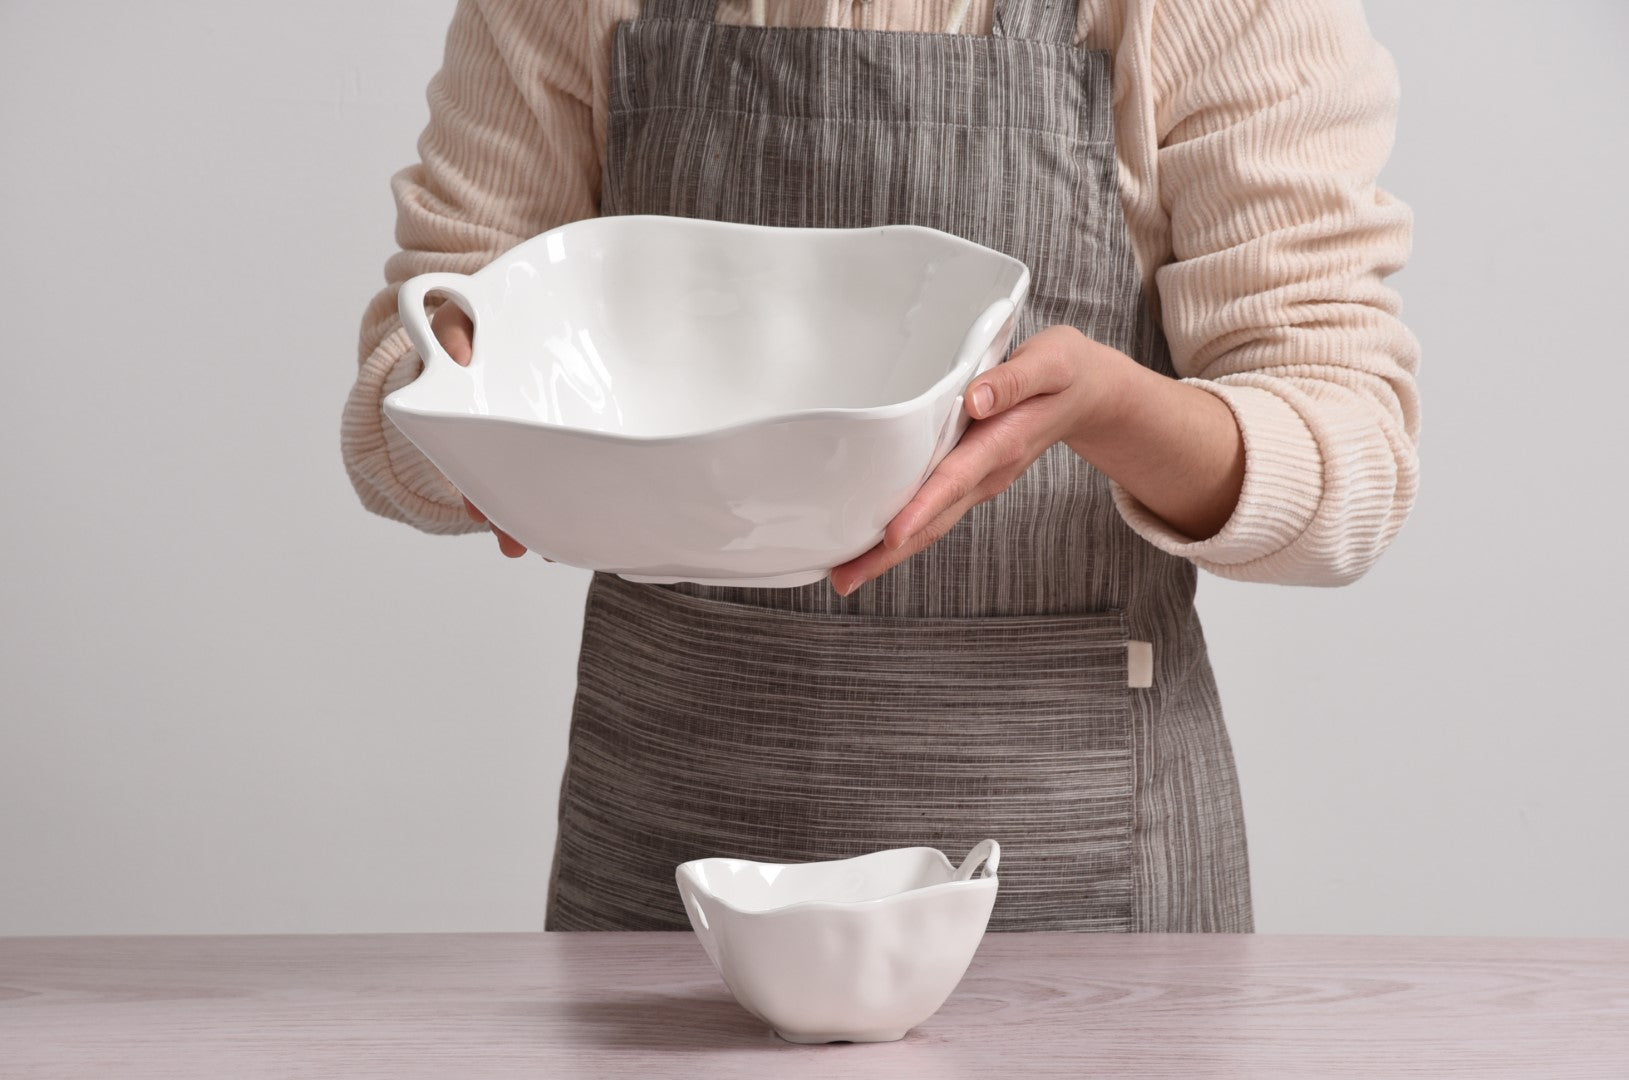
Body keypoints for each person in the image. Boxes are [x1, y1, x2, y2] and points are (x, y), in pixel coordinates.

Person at [342, 0, 1418, 933]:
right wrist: (473, 423)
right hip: (668, 851)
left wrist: (1109, 408)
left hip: (1077, 852)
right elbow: (411, 370)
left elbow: (1348, 466)